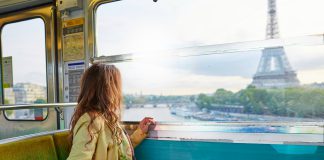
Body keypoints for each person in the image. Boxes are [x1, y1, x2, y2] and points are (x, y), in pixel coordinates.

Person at [67, 63, 155, 160]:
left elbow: (120, 150)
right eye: (117, 87)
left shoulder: (108, 119)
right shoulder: (90, 122)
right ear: (108, 91)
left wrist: (140, 132)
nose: (119, 93)